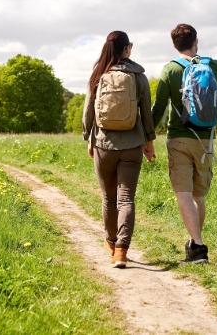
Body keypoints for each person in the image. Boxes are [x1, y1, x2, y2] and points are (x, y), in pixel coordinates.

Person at [151, 23, 217, 263]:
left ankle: (199, 247)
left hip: (179, 139)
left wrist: (147, 136)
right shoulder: (210, 65)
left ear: (174, 44)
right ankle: (195, 242)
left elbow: (159, 108)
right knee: (198, 195)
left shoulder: (170, 70)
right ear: (196, 42)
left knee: (182, 193)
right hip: (206, 141)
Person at [83, 31, 157, 268]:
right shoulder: (138, 76)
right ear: (127, 49)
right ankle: (122, 252)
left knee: (108, 198)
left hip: (104, 143)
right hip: (132, 144)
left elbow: (88, 111)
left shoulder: (98, 74)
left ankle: (111, 242)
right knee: (126, 199)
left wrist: (89, 138)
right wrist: (149, 142)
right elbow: (146, 112)